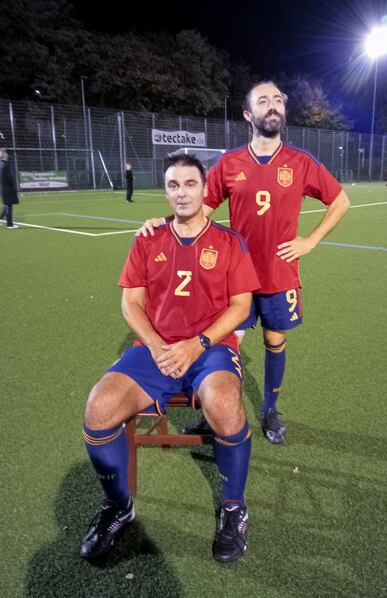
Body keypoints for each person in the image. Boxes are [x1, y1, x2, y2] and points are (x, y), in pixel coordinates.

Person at [137, 81, 350, 446]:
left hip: (280, 274)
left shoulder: (301, 163)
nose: (273, 106)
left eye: (278, 100)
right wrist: (162, 224)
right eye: (263, 101)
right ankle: (213, 412)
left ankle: (269, 409)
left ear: (283, 112)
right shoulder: (230, 163)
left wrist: (310, 240)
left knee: (273, 340)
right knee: (221, 342)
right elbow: (200, 210)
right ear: (248, 115)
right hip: (234, 277)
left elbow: (340, 200)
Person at [80, 154, 260, 563]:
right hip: (154, 349)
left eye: (190, 184)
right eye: (173, 185)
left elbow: (240, 306)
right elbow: (131, 303)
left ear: (204, 189)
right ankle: (119, 506)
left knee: (226, 405)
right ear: (166, 191)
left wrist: (197, 343)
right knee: (99, 408)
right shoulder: (148, 237)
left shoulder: (229, 242)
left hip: (211, 348)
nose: (182, 192)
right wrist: (159, 345)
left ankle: (234, 507)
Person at [0, 149, 19, 229]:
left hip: (2, 188)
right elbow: (9, 177)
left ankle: (1, 218)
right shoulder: (5, 164)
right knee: (9, 205)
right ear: (4, 154)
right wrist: (13, 186)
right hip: (7, 187)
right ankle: (9, 224)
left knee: (6, 203)